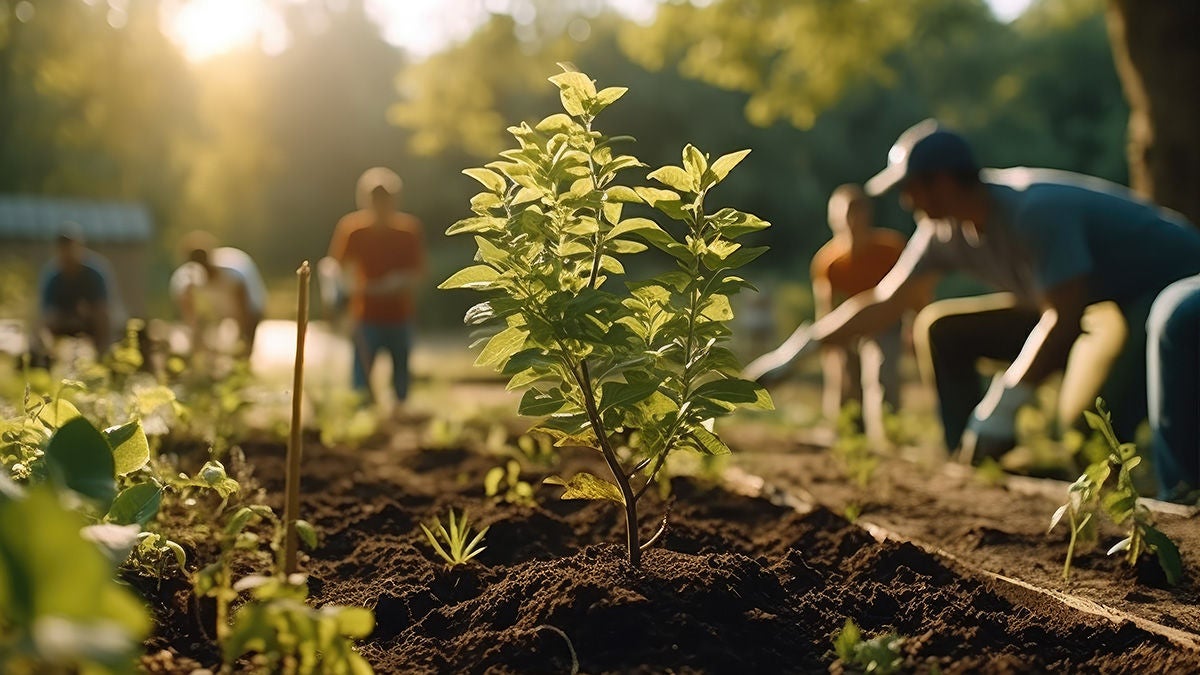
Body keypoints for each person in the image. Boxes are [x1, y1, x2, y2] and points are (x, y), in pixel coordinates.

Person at [746, 119, 1200, 487]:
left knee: (1085, 432)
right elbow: (884, 303)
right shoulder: (939, 231)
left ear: (942, 183)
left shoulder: (1032, 212)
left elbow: (1063, 317)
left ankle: (1166, 490)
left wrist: (1003, 405)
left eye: (911, 188)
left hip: (1159, 291)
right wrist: (800, 349)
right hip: (1077, 304)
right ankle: (971, 457)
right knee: (943, 328)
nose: (906, 201)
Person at [809, 184, 911, 441]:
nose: (853, 221)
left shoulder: (891, 248)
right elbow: (826, 311)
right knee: (843, 372)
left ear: (868, 215)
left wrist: (913, 324)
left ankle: (889, 432)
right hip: (850, 325)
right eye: (846, 215)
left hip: (887, 321)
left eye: (858, 213)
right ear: (835, 220)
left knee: (883, 372)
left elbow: (913, 291)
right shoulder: (828, 262)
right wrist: (830, 347)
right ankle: (848, 431)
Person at [328, 167, 426, 406]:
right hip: (365, 316)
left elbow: (417, 273)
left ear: (394, 200)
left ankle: (399, 418)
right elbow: (337, 268)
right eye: (375, 199)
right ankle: (363, 418)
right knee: (361, 379)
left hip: (399, 315)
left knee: (401, 378)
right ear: (365, 200)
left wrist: (395, 283)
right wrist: (345, 296)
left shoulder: (408, 231)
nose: (380, 205)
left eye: (385, 199)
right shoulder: (353, 231)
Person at [169, 231, 267, 357]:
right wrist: (199, 342)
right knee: (214, 349)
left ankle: (242, 369)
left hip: (251, 307)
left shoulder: (232, 275)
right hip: (220, 310)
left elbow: (244, 313)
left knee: (243, 348)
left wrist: (239, 343)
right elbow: (190, 317)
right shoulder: (186, 279)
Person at [32, 227, 115, 361]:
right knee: (43, 326)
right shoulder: (53, 276)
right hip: (63, 323)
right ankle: (47, 359)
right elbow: (46, 314)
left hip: (88, 323)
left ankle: (102, 356)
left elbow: (102, 308)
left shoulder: (95, 274)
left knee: (102, 316)